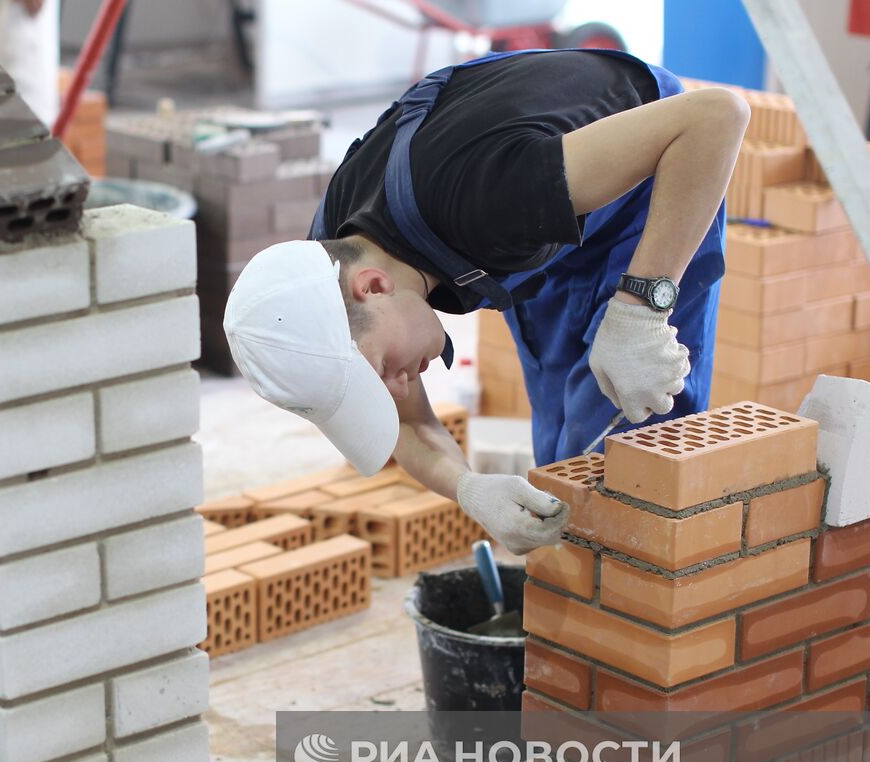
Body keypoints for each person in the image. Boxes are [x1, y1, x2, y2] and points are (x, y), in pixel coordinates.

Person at [223, 49, 747, 556]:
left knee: (626, 453)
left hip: (654, 172)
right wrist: (470, 489)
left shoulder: (490, 195)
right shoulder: (334, 269)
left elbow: (715, 117)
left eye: (383, 370)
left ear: (374, 286)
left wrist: (641, 311)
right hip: (539, 217)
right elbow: (405, 422)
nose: (399, 387)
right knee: (564, 460)